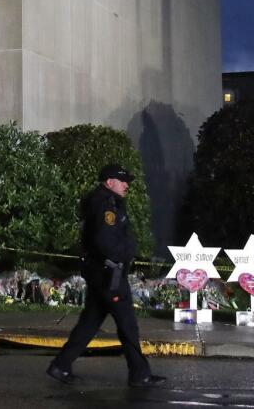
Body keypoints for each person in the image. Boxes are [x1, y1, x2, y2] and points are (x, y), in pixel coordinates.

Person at [46, 163, 167, 388]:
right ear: (109, 182)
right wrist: (122, 255)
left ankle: (61, 366)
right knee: (128, 325)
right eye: (123, 181)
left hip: (102, 273)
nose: (127, 185)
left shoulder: (105, 201)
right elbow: (105, 240)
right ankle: (140, 375)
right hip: (110, 274)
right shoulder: (106, 205)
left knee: (90, 322)